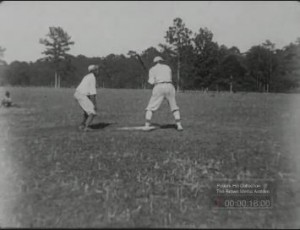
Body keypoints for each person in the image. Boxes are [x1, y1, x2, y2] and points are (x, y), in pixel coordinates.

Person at [144, 56, 183, 131]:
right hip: (170, 86)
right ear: (162, 61)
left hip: (159, 87)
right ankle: (179, 125)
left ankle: (147, 125)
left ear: (154, 62)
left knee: (150, 107)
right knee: (174, 106)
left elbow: (151, 82)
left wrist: (151, 78)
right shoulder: (168, 67)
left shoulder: (152, 69)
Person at [74, 65, 99, 131]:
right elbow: (92, 94)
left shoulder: (87, 76)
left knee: (86, 112)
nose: (98, 71)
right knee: (92, 112)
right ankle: (86, 127)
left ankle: (82, 125)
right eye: (96, 70)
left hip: (77, 94)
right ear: (93, 71)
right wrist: (94, 105)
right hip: (82, 95)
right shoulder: (92, 78)